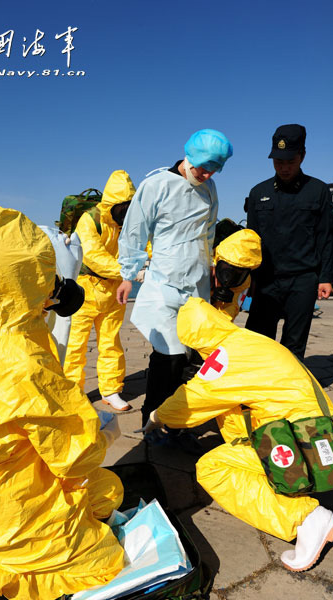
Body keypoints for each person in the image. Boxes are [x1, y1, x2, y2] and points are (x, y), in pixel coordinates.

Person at [0, 206, 125, 600]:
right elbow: (76, 456)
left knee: (104, 491)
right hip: (12, 507)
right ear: (35, 277)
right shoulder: (22, 360)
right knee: (107, 552)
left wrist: (46, 300)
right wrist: (104, 431)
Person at [142, 298, 333, 572]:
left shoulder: (223, 358)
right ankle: (289, 491)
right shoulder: (246, 340)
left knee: (212, 467)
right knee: (235, 427)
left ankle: (307, 519)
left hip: (302, 443)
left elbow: (194, 398)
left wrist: (157, 416)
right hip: (319, 433)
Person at [116, 129, 233, 426]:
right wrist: (129, 275)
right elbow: (135, 229)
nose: (206, 175)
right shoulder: (156, 185)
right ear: (189, 157)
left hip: (196, 284)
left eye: (213, 170)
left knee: (188, 358)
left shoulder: (210, 189)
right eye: (203, 168)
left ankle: (177, 421)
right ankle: (151, 419)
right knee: (167, 354)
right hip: (163, 282)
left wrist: (211, 270)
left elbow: (208, 232)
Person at [245, 124, 333, 360]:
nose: (284, 167)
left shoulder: (318, 191)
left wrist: (325, 277)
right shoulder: (258, 193)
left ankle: (288, 391)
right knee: (257, 340)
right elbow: (250, 242)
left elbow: (326, 237)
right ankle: (256, 389)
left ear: (302, 156)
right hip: (266, 281)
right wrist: (249, 279)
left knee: (294, 343)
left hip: (303, 279)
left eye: (290, 162)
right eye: (278, 162)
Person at [63, 170, 136, 411]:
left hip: (114, 291)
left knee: (111, 342)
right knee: (76, 345)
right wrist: (130, 272)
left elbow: (144, 242)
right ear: (111, 204)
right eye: (122, 208)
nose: (125, 214)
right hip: (85, 289)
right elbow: (94, 256)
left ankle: (111, 391)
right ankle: (73, 393)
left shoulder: (129, 221)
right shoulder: (89, 219)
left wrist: (150, 261)